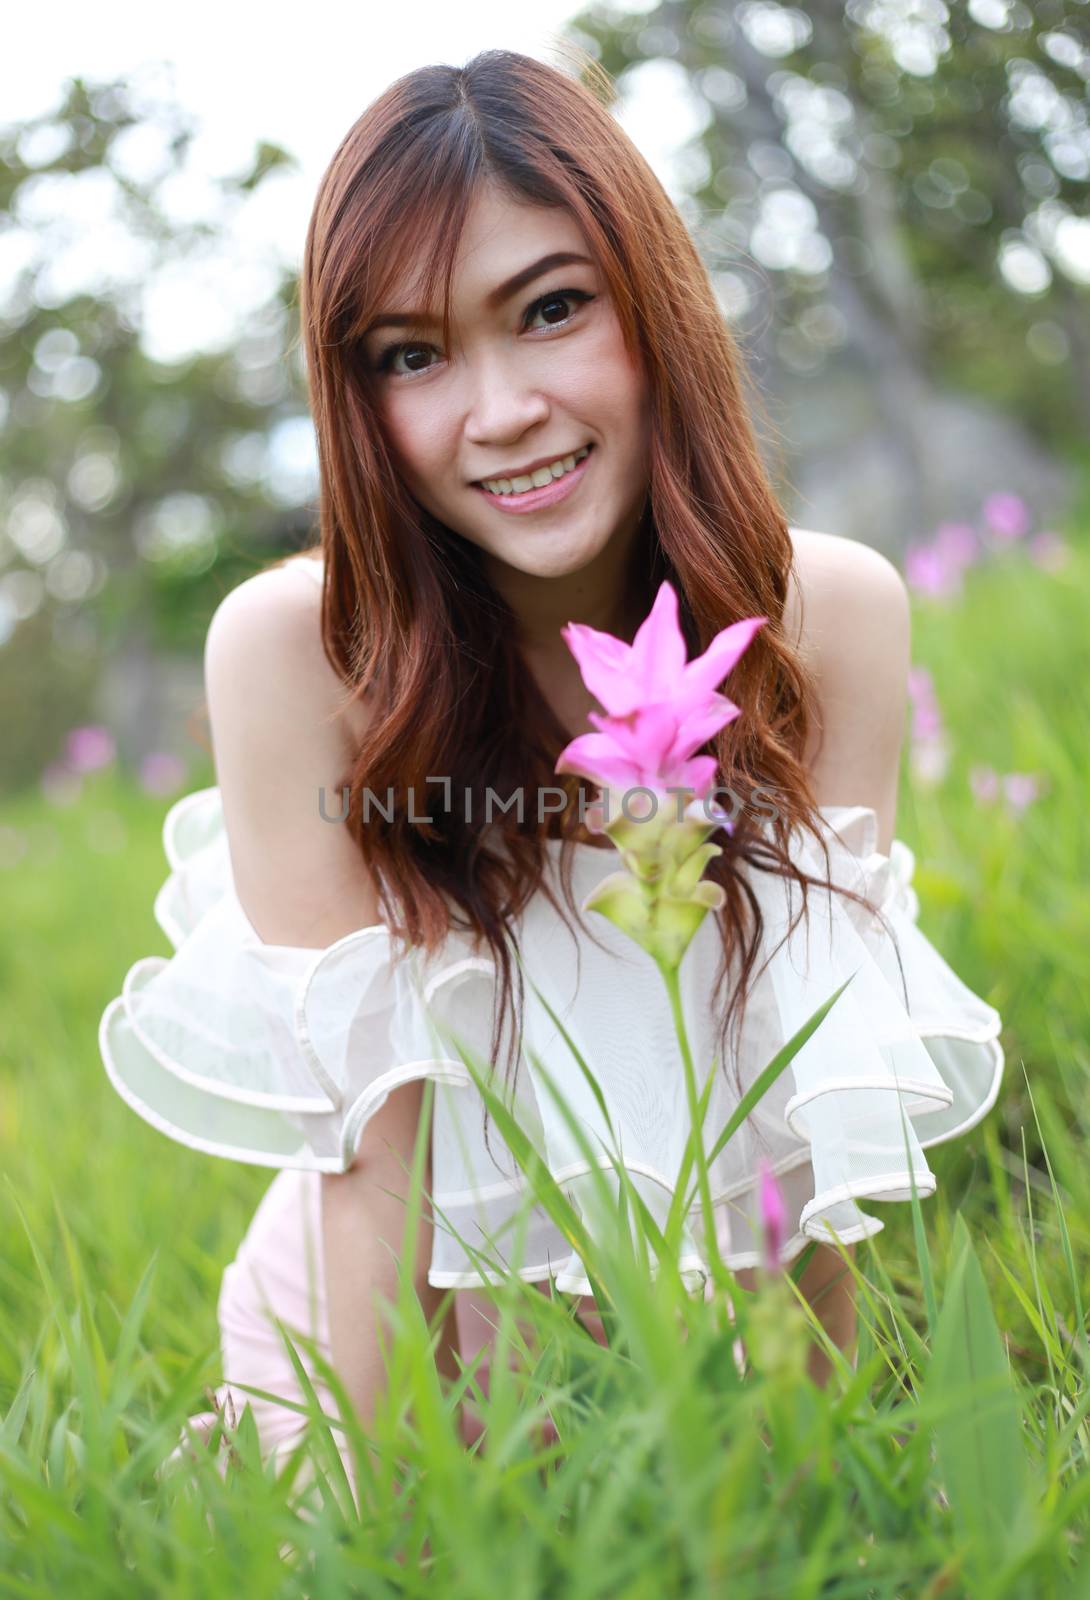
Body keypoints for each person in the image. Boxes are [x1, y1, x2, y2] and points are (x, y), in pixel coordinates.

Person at [99, 48, 1005, 1496]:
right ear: (356, 395)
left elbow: (805, 1115)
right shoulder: (300, 652)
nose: (500, 411)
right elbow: (368, 1168)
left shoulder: (825, 618)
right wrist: (344, 1515)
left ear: (652, 305)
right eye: (411, 354)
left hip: (692, 1336)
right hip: (393, 1328)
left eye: (551, 309)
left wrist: (816, 1484)